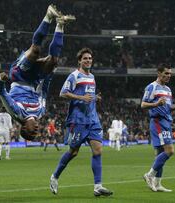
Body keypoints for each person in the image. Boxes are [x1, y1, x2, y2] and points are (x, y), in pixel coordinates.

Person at [0, 5, 75, 140]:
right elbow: (44, 91)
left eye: (33, 132)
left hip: (18, 75)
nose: (37, 130)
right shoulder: (40, 112)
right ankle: (60, 25)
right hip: (34, 80)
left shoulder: (17, 112)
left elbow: (2, 93)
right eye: (36, 133)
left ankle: (48, 16)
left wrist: (1, 80)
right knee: (53, 60)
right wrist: (50, 73)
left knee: (35, 51)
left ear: (25, 128)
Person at [49, 48, 113, 197]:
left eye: (90, 58)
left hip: (93, 120)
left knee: (98, 150)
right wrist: (81, 98)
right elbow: (63, 93)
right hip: (78, 121)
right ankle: (55, 176)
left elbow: (88, 95)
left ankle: (98, 186)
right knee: (73, 152)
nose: (88, 60)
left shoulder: (92, 77)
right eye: (85, 58)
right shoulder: (74, 76)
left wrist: (94, 97)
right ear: (79, 61)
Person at [141, 63, 175, 192]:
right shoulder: (152, 87)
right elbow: (143, 104)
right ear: (159, 73)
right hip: (158, 122)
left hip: (166, 122)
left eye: (170, 74)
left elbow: (168, 108)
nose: (168, 76)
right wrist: (156, 103)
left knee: (160, 154)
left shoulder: (168, 90)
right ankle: (149, 175)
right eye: (166, 73)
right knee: (170, 151)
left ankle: (157, 184)